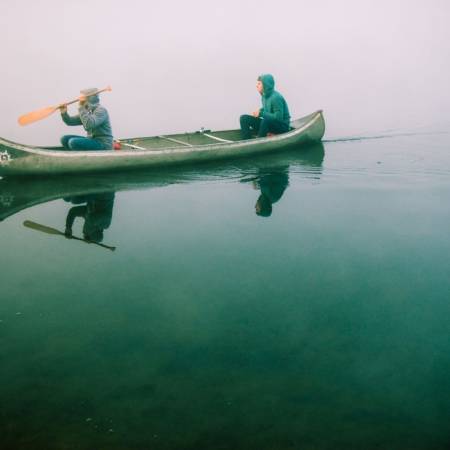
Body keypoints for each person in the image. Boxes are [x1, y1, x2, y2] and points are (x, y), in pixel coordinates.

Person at [240, 74, 291, 140]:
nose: (256, 86)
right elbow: (268, 108)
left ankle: (258, 142)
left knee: (265, 121)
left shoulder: (276, 98)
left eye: (259, 84)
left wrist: (261, 114)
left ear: (266, 85)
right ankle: (245, 141)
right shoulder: (264, 96)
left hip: (282, 127)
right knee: (244, 118)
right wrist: (259, 111)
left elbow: (279, 118)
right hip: (270, 124)